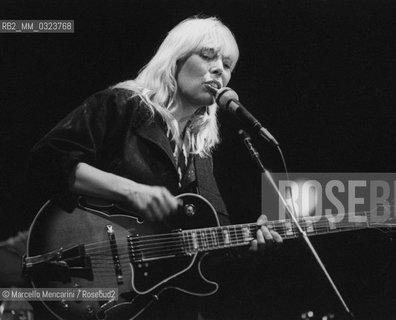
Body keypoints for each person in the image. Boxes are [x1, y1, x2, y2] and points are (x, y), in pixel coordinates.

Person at [28, 16, 282, 319]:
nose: (219, 69)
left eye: (227, 64)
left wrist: (246, 248)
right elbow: (46, 159)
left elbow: (202, 252)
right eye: (207, 55)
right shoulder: (123, 105)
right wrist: (129, 190)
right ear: (175, 58)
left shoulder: (199, 153)